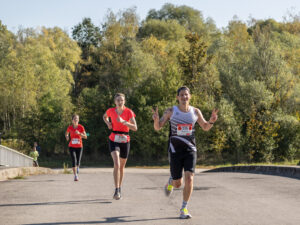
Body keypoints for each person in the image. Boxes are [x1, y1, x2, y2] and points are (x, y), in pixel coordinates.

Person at [152, 86, 218, 219]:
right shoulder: (171, 111)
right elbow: (158, 127)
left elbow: (205, 127)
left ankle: (184, 208)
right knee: (178, 183)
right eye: (181, 95)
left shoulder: (195, 111)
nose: (184, 97)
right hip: (175, 150)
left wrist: (211, 121)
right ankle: (171, 181)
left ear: (190, 96)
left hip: (190, 150)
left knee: (189, 178)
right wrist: (155, 120)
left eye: (186, 95)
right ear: (177, 97)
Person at [103, 93, 137, 200]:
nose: (120, 102)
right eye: (118, 100)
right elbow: (104, 116)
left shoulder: (129, 112)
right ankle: (116, 189)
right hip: (114, 138)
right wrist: (108, 123)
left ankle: (120, 187)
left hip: (125, 139)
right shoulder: (111, 111)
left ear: (124, 101)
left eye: (122, 100)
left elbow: (135, 128)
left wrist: (124, 122)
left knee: (121, 167)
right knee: (116, 163)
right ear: (115, 102)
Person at [65, 114, 87, 181]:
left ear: (78, 120)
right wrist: (67, 136)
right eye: (74, 119)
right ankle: (75, 175)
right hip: (71, 146)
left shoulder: (81, 127)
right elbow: (66, 133)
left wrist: (79, 133)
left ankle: (77, 167)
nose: (76, 120)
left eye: (77, 119)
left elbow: (85, 136)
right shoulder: (69, 127)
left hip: (79, 146)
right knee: (73, 160)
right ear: (72, 120)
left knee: (78, 162)